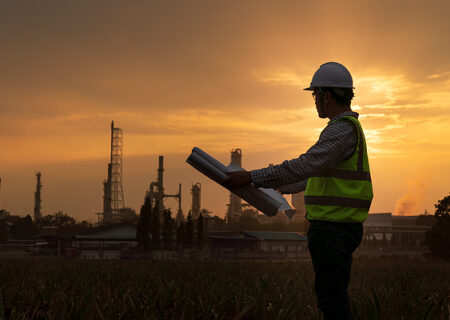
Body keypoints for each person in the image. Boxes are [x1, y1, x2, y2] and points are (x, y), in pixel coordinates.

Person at [223, 62, 373, 320]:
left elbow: (305, 165)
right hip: (334, 228)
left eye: (315, 95)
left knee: (332, 302)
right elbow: (314, 177)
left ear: (327, 95)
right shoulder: (345, 129)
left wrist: (252, 177)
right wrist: (272, 186)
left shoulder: (342, 130)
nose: (314, 101)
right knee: (331, 299)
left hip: (333, 229)